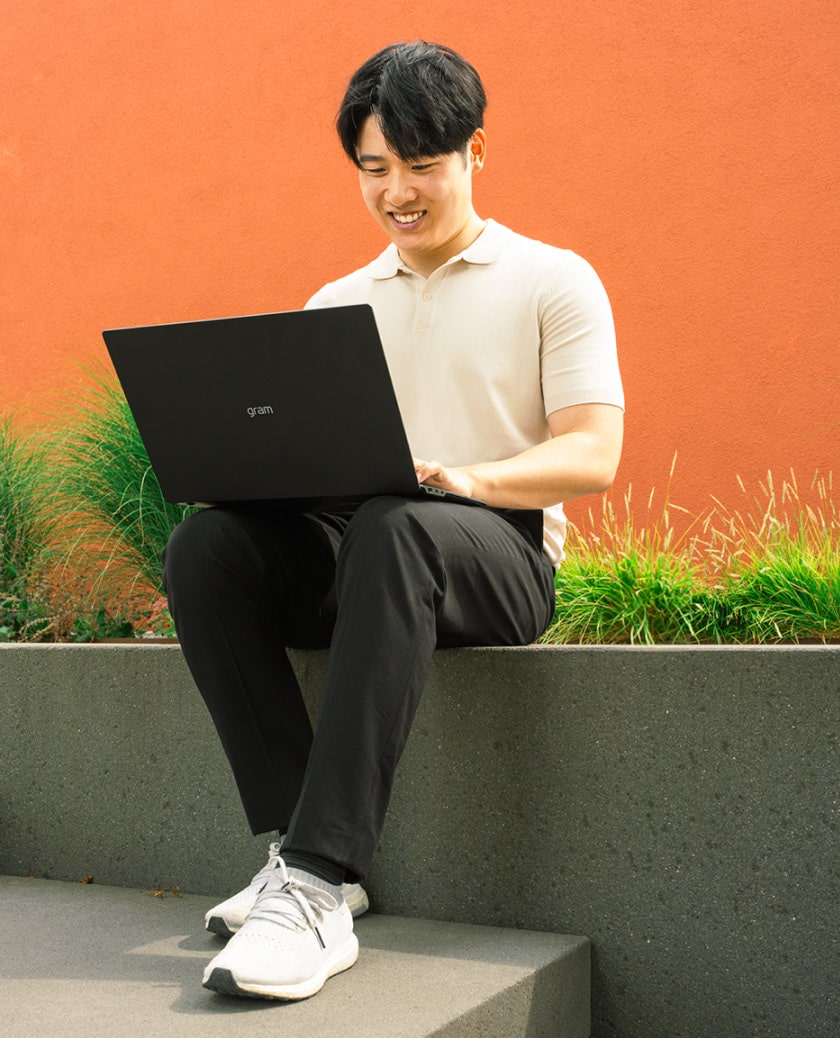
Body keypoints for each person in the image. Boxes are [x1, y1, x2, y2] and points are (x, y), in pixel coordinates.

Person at [162, 40, 624, 1001]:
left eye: (421, 164)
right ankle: (297, 855)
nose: (397, 191)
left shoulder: (553, 279)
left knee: (399, 520)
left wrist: (465, 478)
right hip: (363, 553)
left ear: (475, 151)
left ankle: (321, 886)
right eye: (376, 169)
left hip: (497, 556)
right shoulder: (336, 303)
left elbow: (592, 453)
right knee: (207, 548)